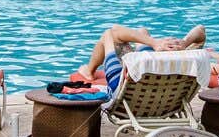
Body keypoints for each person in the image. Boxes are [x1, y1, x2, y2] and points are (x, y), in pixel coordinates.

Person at [74, 24, 207, 89]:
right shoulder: (187, 62)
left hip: (128, 86)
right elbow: (200, 30)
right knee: (142, 31)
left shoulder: (118, 79)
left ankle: (89, 71)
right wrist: (184, 43)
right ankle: (149, 41)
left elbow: (113, 31)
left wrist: (155, 43)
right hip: (168, 94)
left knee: (108, 34)